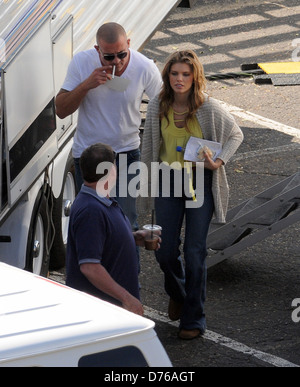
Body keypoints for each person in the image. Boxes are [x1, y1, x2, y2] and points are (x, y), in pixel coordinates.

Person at [141, 50, 244, 339]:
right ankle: (179, 292)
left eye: (186, 74)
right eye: (174, 73)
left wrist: (219, 160)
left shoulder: (208, 107)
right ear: (167, 76)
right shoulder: (157, 106)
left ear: (195, 77)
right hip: (167, 182)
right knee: (164, 251)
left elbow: (236, 135)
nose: (179, 79)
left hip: (199, 183)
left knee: (195, 252)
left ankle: (194, 318)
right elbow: (149, 147)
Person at [55, 22, 162, 231]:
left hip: (126, 153)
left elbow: (164, 106)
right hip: (88, 156)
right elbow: (61, 110)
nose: (117, 62)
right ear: (97, 50)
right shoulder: (81, 62)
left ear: (129, 44)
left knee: (125, 223)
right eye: (109, 57)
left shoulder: (144, 67)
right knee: (92, 222)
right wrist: (87, 84)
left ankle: (128, 264)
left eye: (122, 54)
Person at [66, 143, 160, 316]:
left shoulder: (100, 200)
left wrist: (132, 237)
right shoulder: (91, 211)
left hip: (111, 310)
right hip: (104, 313)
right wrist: (127, 299)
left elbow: (102, 240)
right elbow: (90, 267)